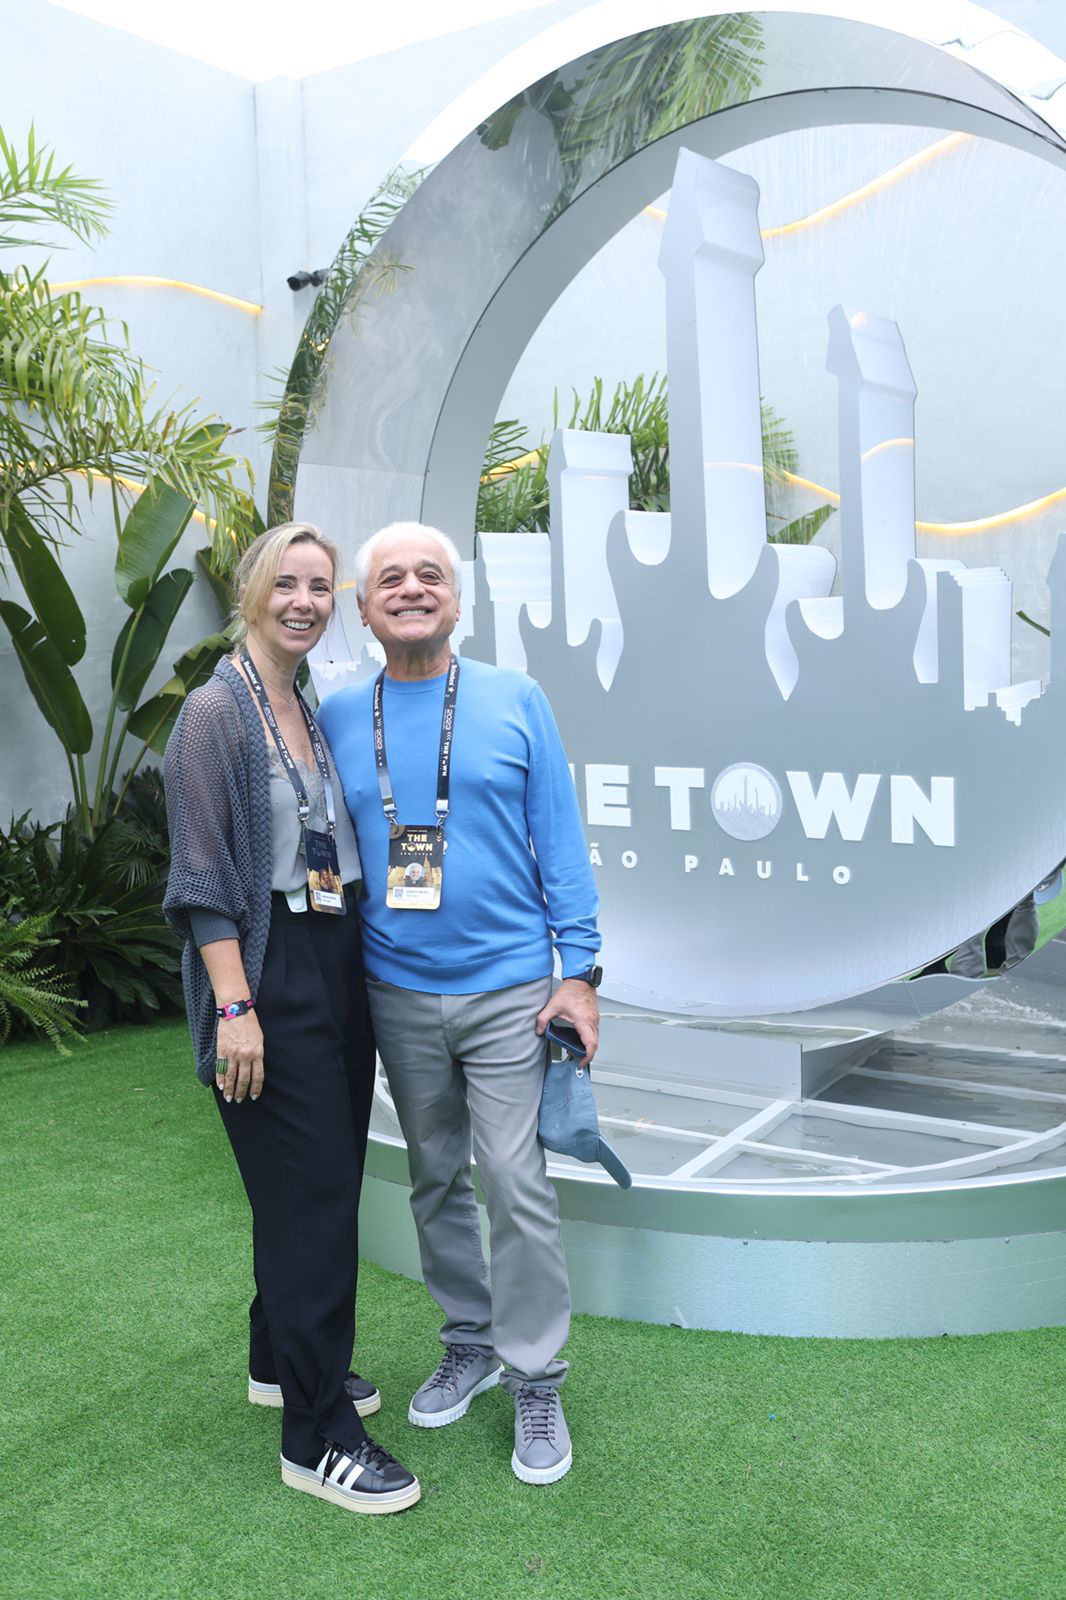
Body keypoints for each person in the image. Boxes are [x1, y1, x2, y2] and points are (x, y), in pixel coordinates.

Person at [318, 520, 601, 1487]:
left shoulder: (515, 699)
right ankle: (470, 1341)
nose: (411, 588)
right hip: (395, 990)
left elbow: (560, 840)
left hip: (511, 990)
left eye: (429, 574)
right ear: (364, 610)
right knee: (435, 1176)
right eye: (391, 578)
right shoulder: (338, 716)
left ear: (456, 599)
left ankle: (536, 1375)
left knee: (514, 1179)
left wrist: (580, 971)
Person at [163, 521, 419, 1516]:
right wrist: (235, 1007)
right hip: (265, 971)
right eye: (287, 583)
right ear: (250, 592)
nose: (304, 601)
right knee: (311, 1201)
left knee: (317, 1181)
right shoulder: (213, 713)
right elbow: (200, 879)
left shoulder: (302, 702)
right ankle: (317, 1438)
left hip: (334, 957)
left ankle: (281, 1356)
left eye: (320, 586)